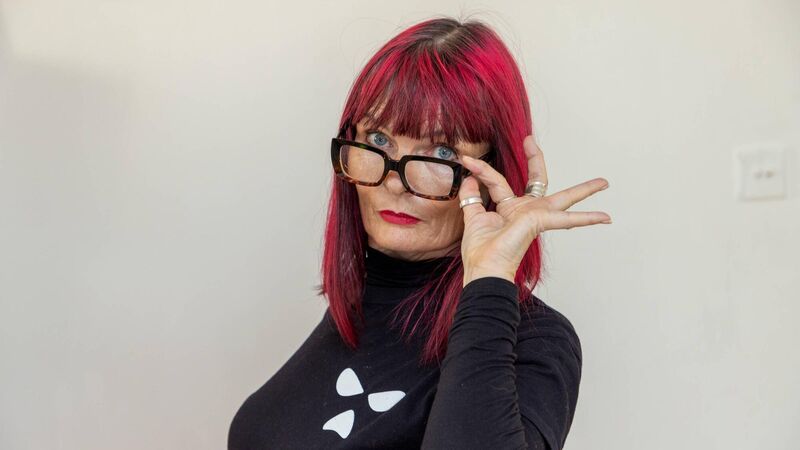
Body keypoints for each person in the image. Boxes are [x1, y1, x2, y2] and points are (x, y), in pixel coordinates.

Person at [228, 16, 610, 450]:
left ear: (494, 175)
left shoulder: (535, 342)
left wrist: (489, 276)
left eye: (442, 152)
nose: (395, 182)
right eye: (378, 140)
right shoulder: (355, 307)